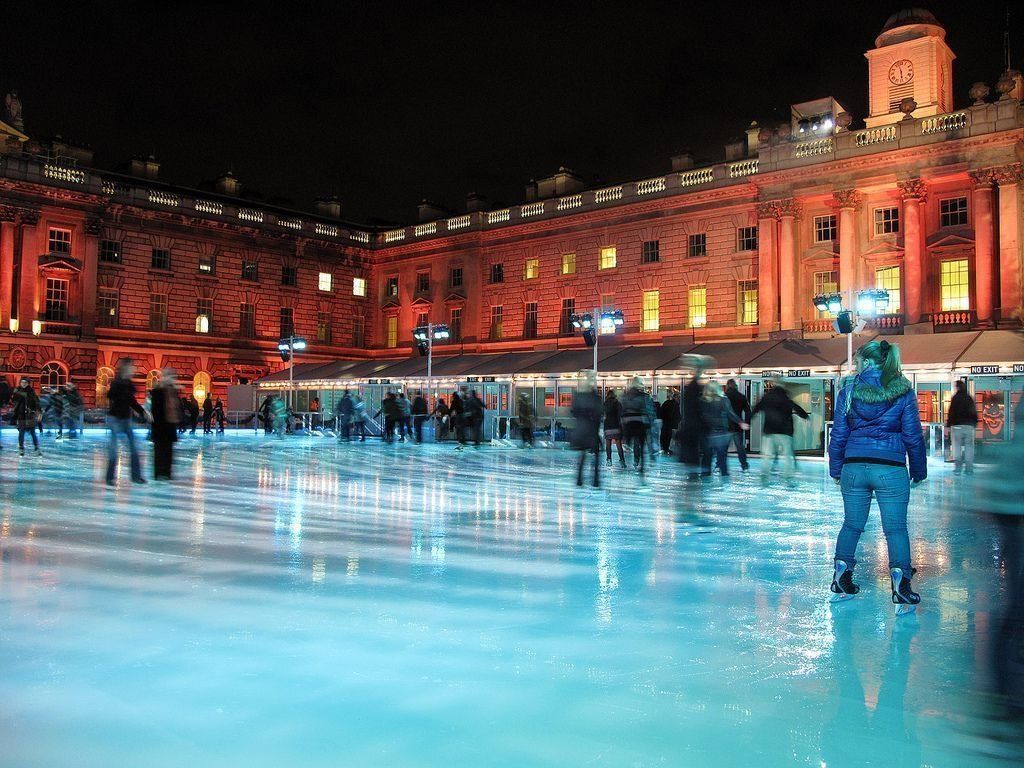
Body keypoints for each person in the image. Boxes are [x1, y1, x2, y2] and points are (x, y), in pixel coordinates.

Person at [827, 340, 926, 612]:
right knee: (895, 529)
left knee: (851, 525)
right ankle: (901, 585)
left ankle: (841, 578)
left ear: (868, 362)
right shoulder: (903, 389)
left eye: (858, 361)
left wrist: (836, 468)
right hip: (890, 468)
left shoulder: (848, 388)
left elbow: (839, 433)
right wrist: (918, 470)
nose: (855, 366)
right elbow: (912, 435)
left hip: (854, 466)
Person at [752, 378, 809, 487]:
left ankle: (764, 475)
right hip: (785, 431)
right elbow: (795, 407)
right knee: (787, 456)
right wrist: (805, 416)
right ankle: (787, 477)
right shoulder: (785, 397)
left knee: (767, 455)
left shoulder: (766, 397)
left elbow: (756, 407)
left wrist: (748, 420)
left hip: (769, 431)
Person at [105, 359, 149, 485]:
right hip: (115, 418)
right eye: (131, 368)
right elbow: (110, 396)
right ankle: (109, 478)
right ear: (125, 368)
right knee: (114, 450)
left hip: (126, 419)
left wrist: (143, 412)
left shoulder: (128, 384)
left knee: (134, 448)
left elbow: (132, 401)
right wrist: (119, 386)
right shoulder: (117, 382)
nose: (133, 370)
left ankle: (136, 477)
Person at [699, 381, 748, 478]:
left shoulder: (702, 401)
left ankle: (704, 478)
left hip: (706, 433)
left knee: (706, 457)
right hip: (720, 433)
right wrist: (740, 422)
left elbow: (698, 416)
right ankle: (725, 478)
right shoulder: (723, 400)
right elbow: (730, 413)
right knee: (722, 458)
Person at [677, 355, 712, 478]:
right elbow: (697, 408)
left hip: (692, 425)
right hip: (696, 426)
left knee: (696, 451)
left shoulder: (691, 387)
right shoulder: (695, 388)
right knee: (703, 450)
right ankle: (702, 471)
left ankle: (696, 472)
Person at [571, 371, 603, 487]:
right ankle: (595, 480)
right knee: (595, 455)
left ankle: (579, 479)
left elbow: (574, 412)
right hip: (591, 430)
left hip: (581, 430)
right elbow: (598, 414)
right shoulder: (594, 397)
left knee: (582, 455)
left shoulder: (578, 397)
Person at [150, 369, 183, 480]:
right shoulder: (157, 391)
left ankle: (167, 473)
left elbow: (177, 408)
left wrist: (180, 421)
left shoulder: (173, 391)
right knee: (159, 451)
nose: (172, 379)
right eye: (170, 376)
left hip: (169, 427)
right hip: (160, 427)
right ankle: (159, 473)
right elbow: (155, 410)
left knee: (168, 451)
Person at [947, 379, 978, 475]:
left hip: (957, 426)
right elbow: (974, 411)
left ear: (957, 387)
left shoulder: (955, 398)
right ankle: (969, 468)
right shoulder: (969, 398)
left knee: (956, 447)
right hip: (969, 426)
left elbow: (951, 412)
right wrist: (974, 423)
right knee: (969, 447)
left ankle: (958, 468)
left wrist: (949, 424)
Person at [621, 377, 650, 476]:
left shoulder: (625, 396)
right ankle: (640, 464)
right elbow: (645, 409)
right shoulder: (642, 396)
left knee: (630, 443)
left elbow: (623, 409)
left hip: (629, 422)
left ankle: (629, 462)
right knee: (640, 444)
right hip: (639, 421)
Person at [724, 379, 751, 471]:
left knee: (723, 448)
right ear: (735, 386)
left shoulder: (724, 397)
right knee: (740, 447)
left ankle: (720, 465)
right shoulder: (741, 397)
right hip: (738, 425)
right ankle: (744, 465)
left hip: (726, 426)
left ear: (727, 386)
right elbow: (748, 411)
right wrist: (746, 422)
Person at [11, 378, 42, 457]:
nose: (23, 384)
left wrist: (39, 411)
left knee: (32, 432)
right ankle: (21, 448)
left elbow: (36, 401)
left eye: (25, 382)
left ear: (28, 383)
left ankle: (36, 448)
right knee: (21, 432)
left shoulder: (31, 392)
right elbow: (14, 401)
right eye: (22, 382)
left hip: (30, 415)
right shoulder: (17, 391)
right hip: (21, 415)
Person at [603, 390, 625, 467]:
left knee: (608, 444)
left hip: (608, 425)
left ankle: (609, 460)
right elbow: (621, 414)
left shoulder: (605, 403)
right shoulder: (617, 403)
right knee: (618, 444)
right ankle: (622, 460)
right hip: (616, 425)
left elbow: (603, 413)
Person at [659, 391, 681, 456]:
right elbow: (677, 415)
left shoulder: (666, 403)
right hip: (671, 423)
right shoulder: (675, 404)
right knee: (669, 436)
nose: (679, 399)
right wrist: (678, 420)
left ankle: (664, 448)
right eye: (678, 397)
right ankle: (667, 448)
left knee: (664, 435)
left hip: (666, 422)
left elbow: (661, 412)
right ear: (675, 397)